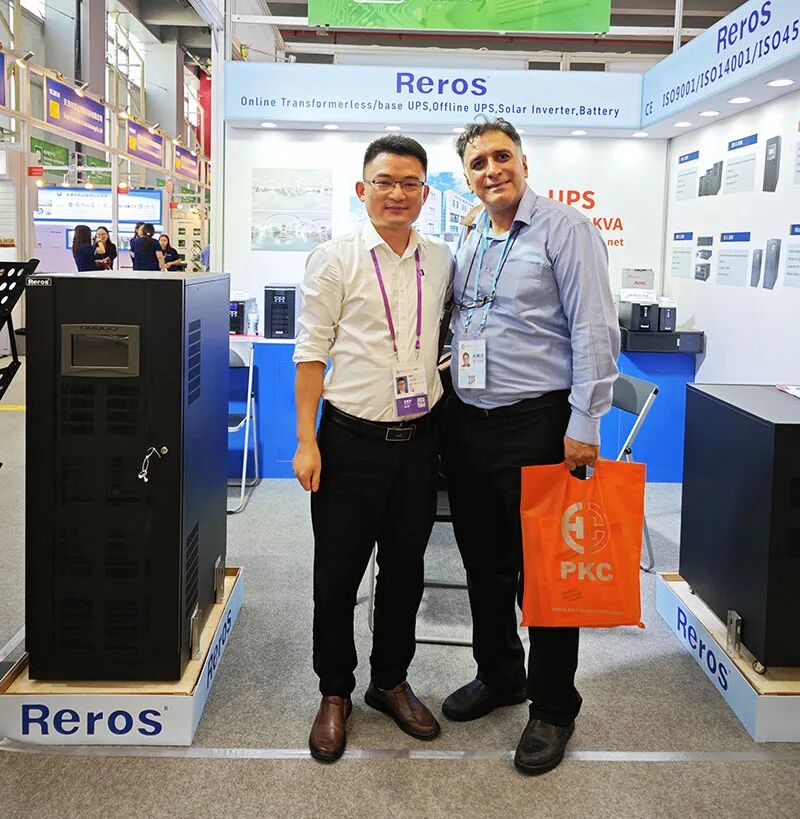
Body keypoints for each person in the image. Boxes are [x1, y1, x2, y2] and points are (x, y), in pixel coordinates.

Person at [441, 119, 620, 776]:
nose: (492, 170)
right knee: (483, 563)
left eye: (502, 156)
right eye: (478, 162)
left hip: (539, 425)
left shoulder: (565, 230)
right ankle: (500, 675)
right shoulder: (471, 232)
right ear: (467, 177)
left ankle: (552, 705)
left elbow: (595, 327)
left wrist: (585, 422)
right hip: (469, 423)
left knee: (546, 576)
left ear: (524, 161)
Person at [293, 135, 453, 763]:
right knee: (337, 575)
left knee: (405, 573)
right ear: (363, 189)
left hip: (418, 443)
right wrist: (306, 442)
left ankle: (390, 681)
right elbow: (311, 355)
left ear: (425, 193)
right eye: (384, 181)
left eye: (409, 183)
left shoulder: (440, 258)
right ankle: (334, 691)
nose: (396, 193)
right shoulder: (334, 259)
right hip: (350, 442)